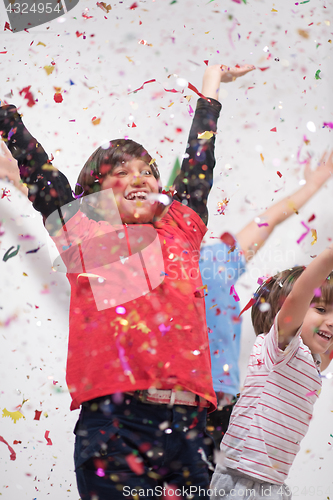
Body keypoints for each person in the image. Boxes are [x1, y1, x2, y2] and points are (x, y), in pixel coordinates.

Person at [0, 63, 254, 499]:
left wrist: (211, 85)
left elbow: (198, 161)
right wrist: (6, 116)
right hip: (119, 431)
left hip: (191, 433)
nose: (139, 177)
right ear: (95, 197)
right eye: (121, 171)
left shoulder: (182, 228)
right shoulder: (86, 231)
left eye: (148, 170)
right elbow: (44, 175)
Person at [210, 150, 333, 498]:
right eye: (320, 309)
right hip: (239, 480)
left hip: (274, 486)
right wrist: (328, 256)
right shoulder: (280, 347)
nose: (329, 321)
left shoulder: (315, 361)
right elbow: (300, 296)